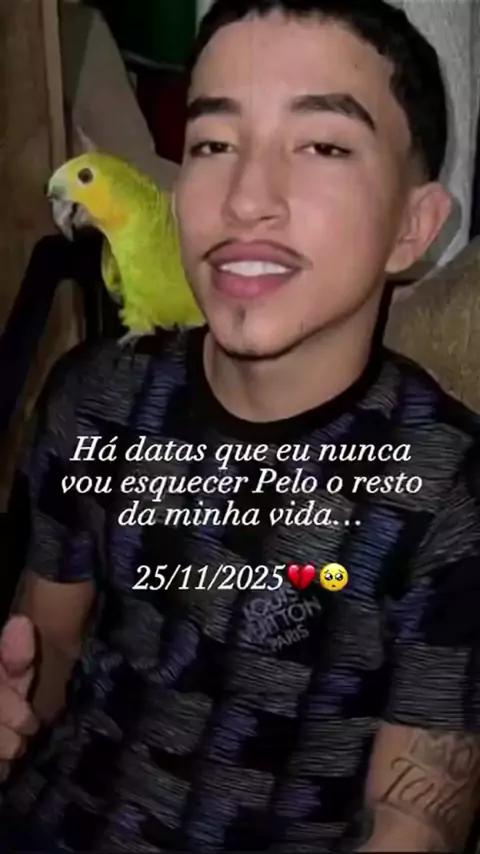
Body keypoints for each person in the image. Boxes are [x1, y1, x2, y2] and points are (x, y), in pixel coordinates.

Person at [1, 0, 480, 851]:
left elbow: (415, 819)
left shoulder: (452, 492)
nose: (246, 199)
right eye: (213, 144)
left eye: (323, 146)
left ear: (412, 228)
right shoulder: (96, 399)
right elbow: (47, 652)